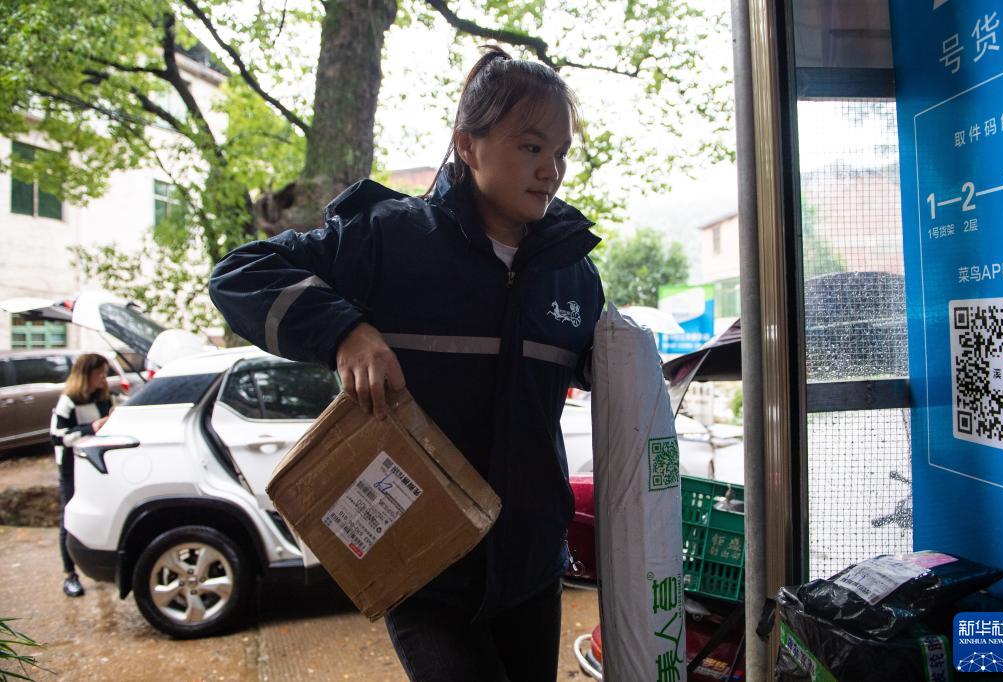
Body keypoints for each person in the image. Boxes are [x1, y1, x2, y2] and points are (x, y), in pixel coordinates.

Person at [209, 45, 603, 681]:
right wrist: (345, 332)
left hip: (530, 567)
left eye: (560, 153)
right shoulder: (390, 238)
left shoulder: (575, 275)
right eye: (532, 147)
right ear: (468, 146)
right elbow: (240, 273)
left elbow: (591, 370)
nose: (550, 170)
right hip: (422, 568)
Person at [50, 353, 113, 597]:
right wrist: (90, 428)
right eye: (99, 373)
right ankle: (70, 574)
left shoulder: (104, 397)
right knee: (69, 517)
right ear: (85, 374)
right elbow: (57, 436)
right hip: (71, 467)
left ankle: (100, 566)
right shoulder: (68, 401)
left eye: (105, 373)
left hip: (97, 464)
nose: (103, 378)